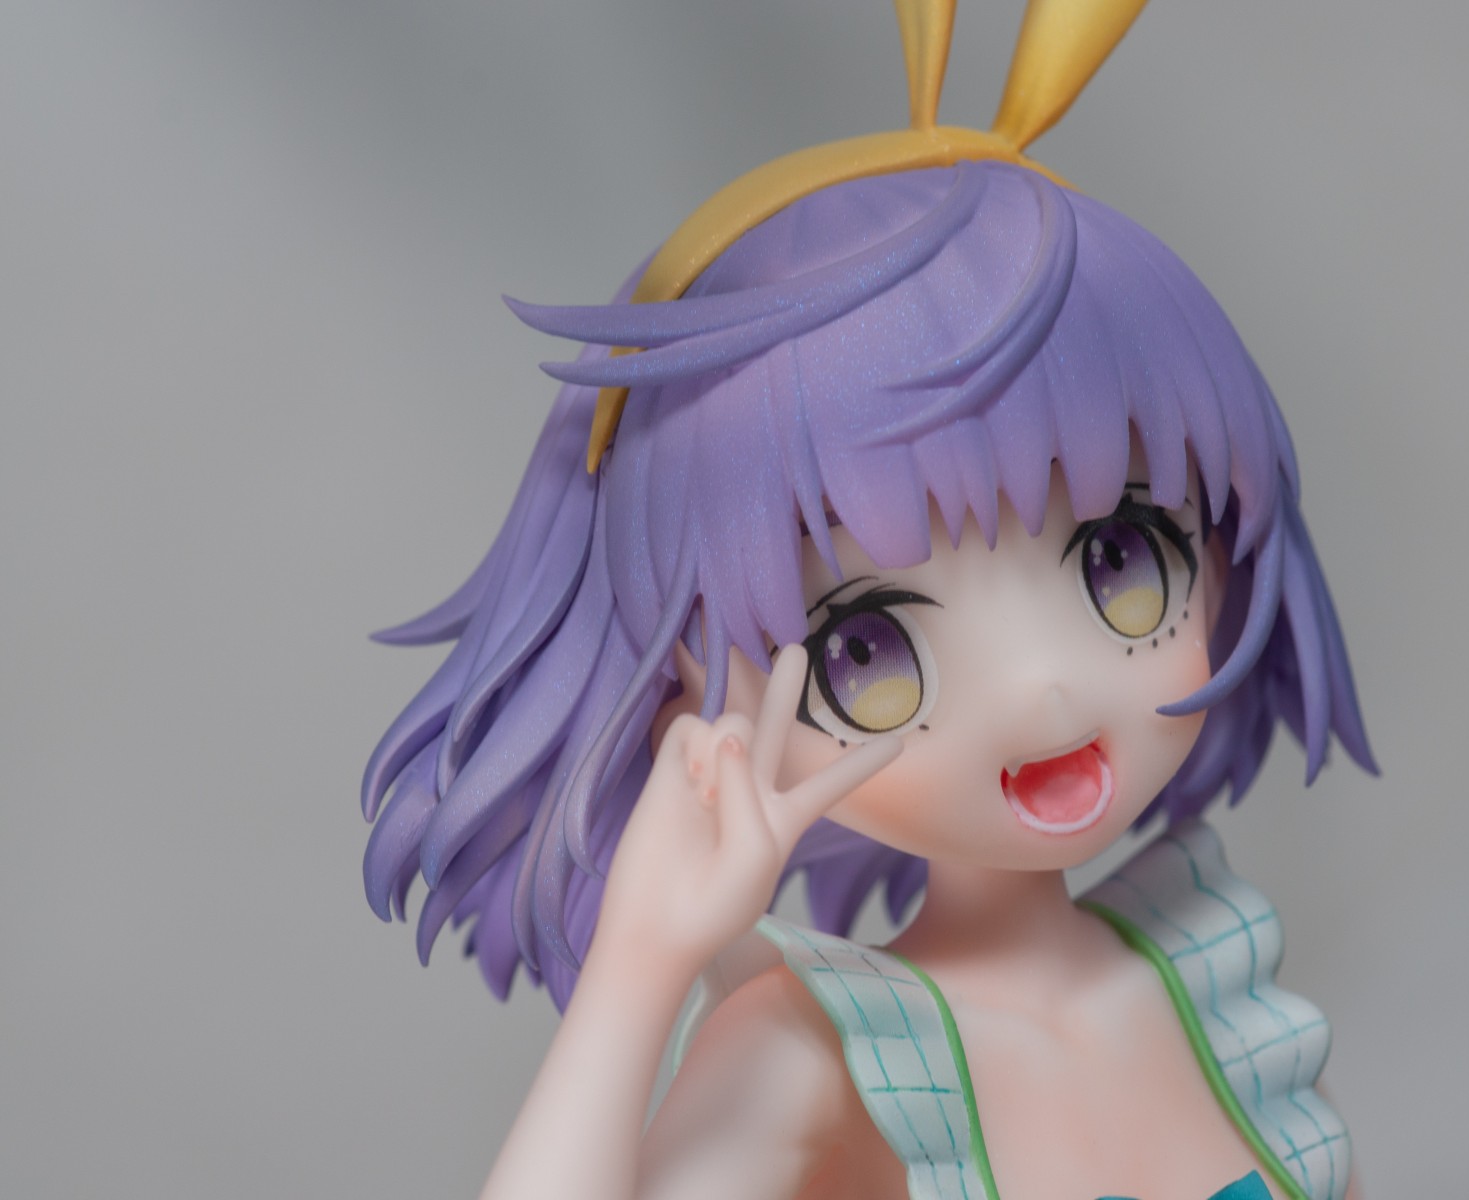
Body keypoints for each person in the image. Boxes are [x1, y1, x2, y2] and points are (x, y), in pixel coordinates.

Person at [362, 4, 1375, 1198]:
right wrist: (639, 966)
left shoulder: (1211, 977)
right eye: (870, 651)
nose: (1042, 694)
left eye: (1120, 563)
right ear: (698, 694)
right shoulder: (816, 1054)